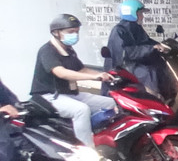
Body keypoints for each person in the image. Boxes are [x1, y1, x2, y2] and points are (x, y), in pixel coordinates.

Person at [32, 14, 116, 149]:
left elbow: (82, 70)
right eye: (70, 32)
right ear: (56, 33)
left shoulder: (68, 50)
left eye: (77, 32)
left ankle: (106, 142)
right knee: (81, 110)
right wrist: (93, 78)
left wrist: (103, 74)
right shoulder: (47, 50)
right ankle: (88, 151)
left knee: (112, 103)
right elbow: (60, 72)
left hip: (70, 93)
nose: (75, 35)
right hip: (50, 96)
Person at [105, 0, 170, 97]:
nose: (142, 16)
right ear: (132, 13)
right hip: (123, 65)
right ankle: (153, 100)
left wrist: (160, 46)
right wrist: (151, 48)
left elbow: (146, 41)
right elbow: (126, 53)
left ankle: (165, 97)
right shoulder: (119, 30)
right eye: (140, 13)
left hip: (134, 62)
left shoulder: (135, 27)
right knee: (147, 73)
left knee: (160, 67)